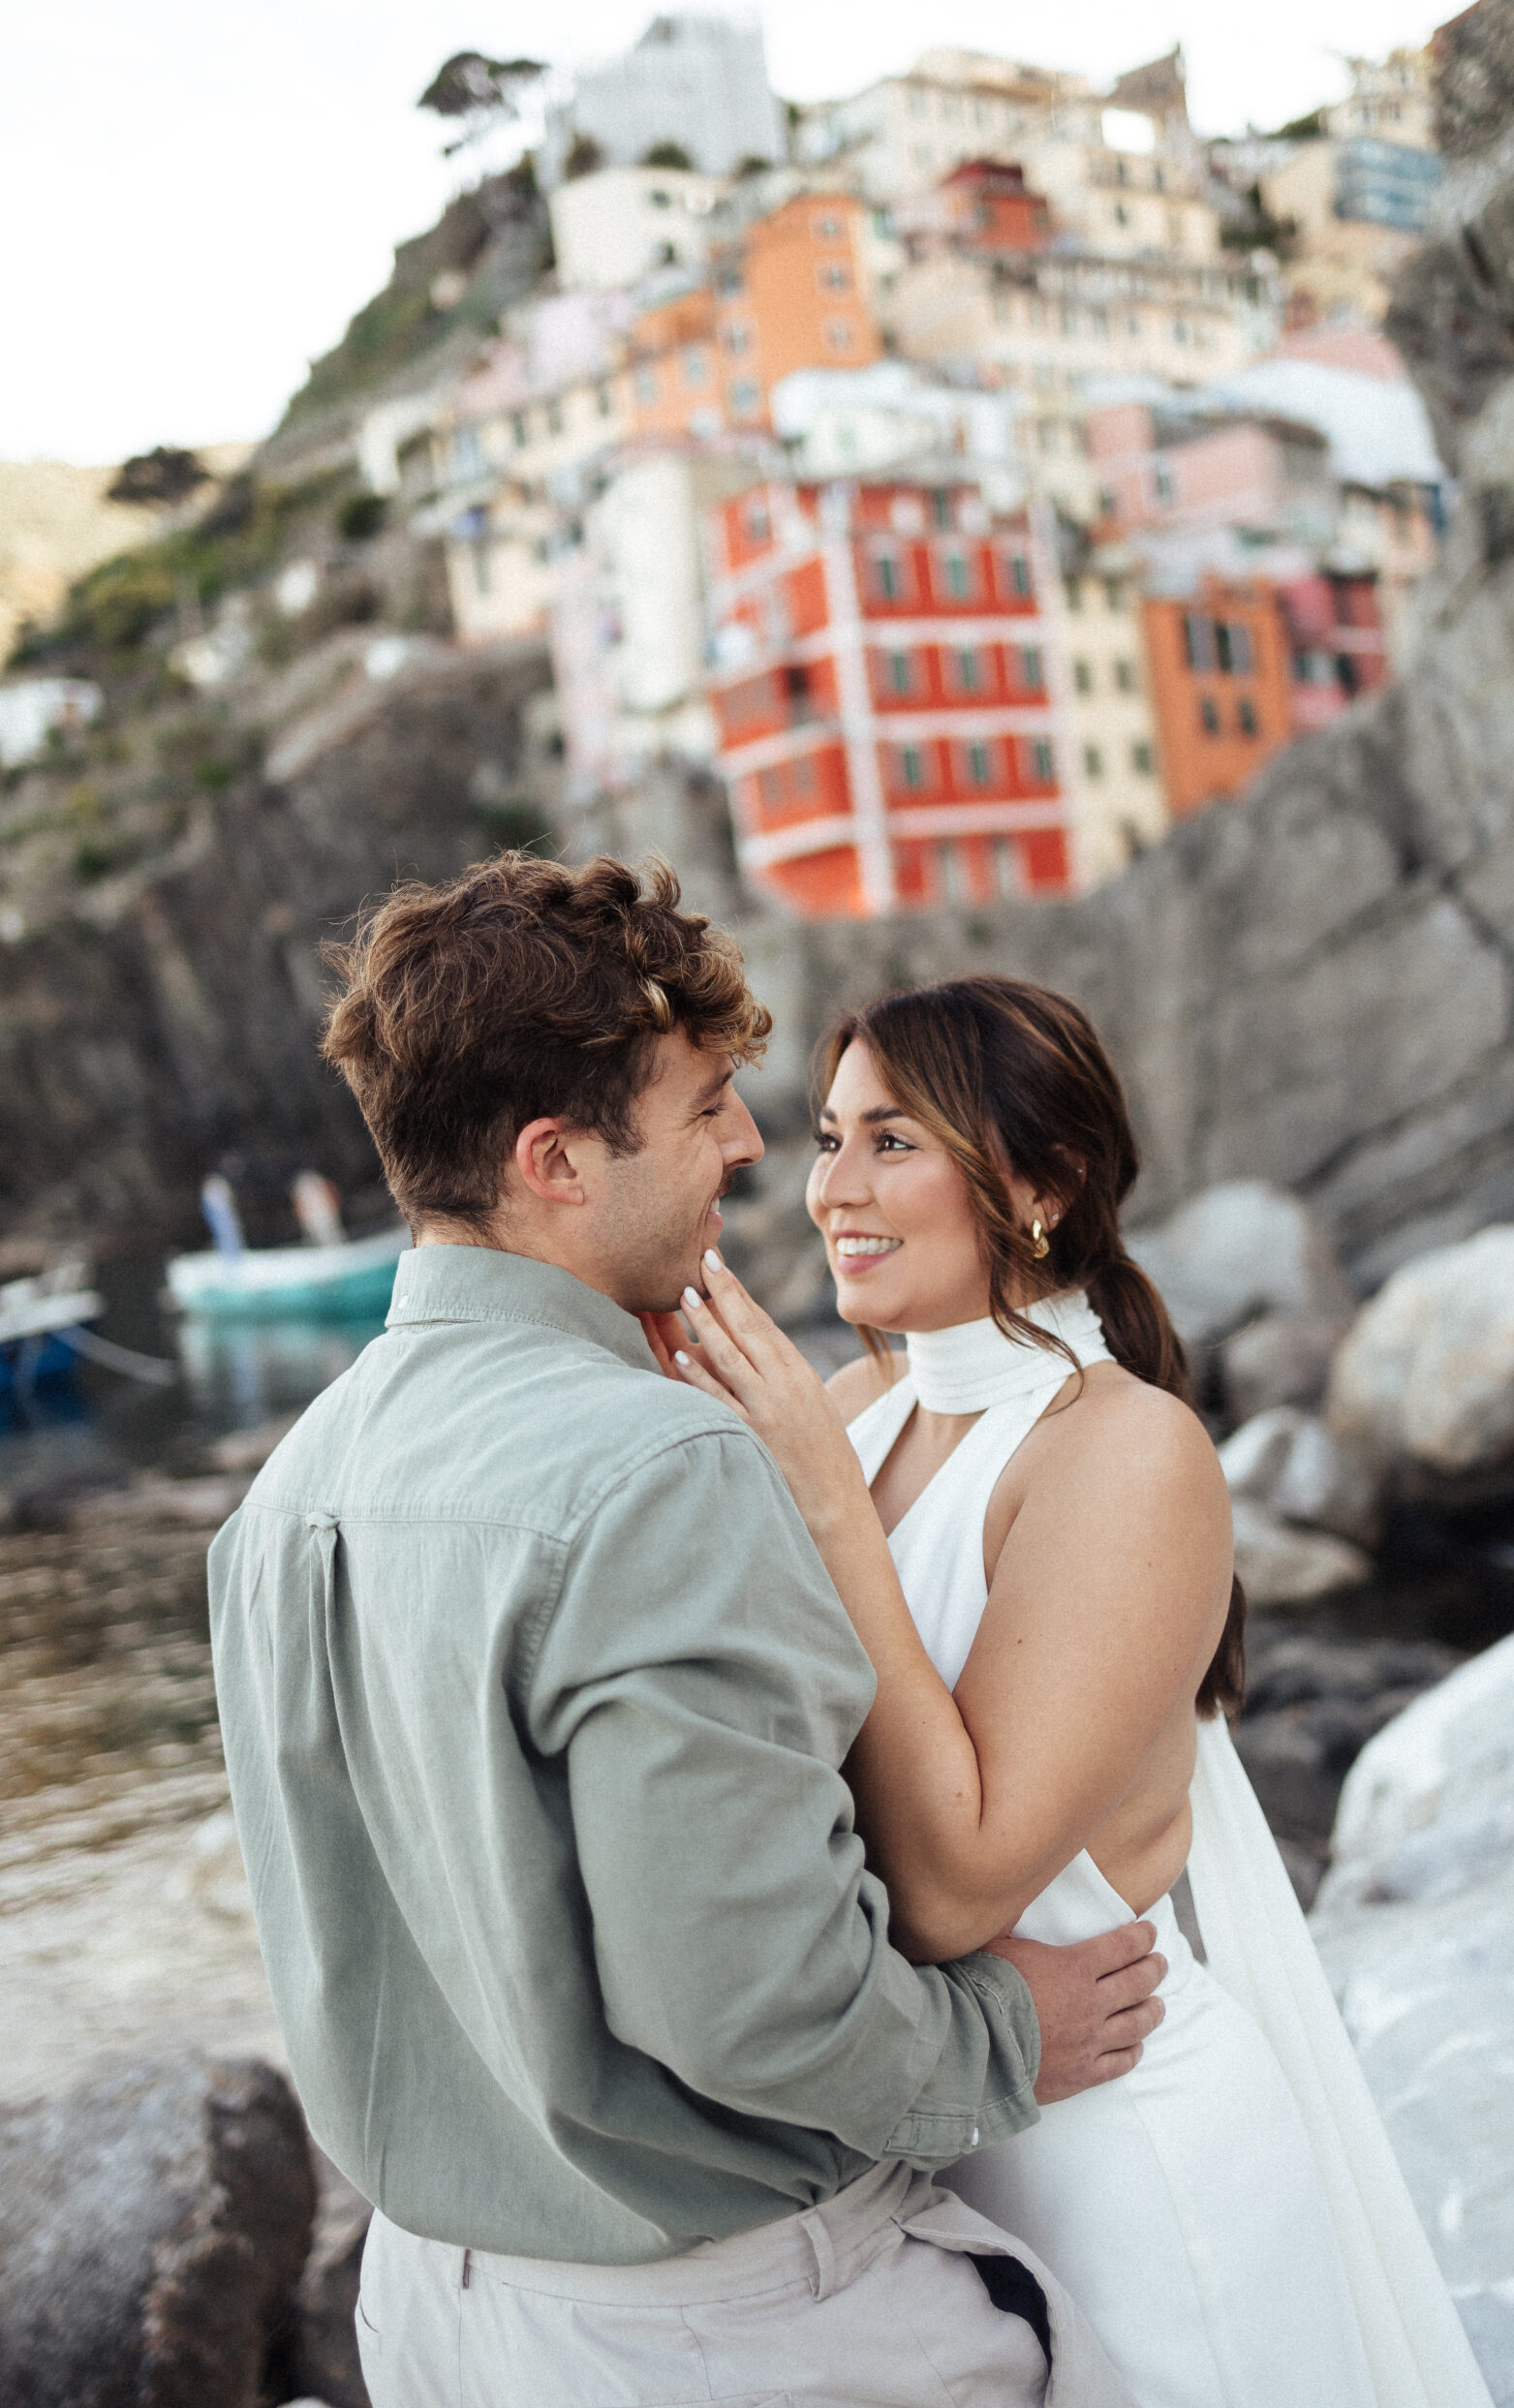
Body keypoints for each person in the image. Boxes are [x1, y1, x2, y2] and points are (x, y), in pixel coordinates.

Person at [207, 860, 1163, 2408]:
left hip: (432, 2311)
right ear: (556, 1162)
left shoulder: (284, 1496)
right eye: (705, 1103)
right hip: (717, 2332)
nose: (747, 1145)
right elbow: (752, 2002)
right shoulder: (657, 1467)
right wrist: (1005, 2036)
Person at [662, 974, 1496, 2408]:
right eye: (829, 1135)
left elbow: (954, 1885)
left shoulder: (1125, 1449)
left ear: (1042, 1181)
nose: (832, 1190)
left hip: (1127, 2169)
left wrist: (824, 1512)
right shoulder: (855, 1414)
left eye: (895, 1142)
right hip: (936, 2146)